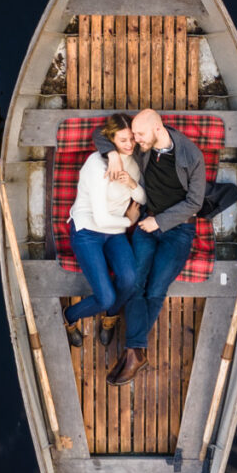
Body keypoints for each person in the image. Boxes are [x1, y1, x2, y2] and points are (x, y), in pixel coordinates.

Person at [93, 108, 206, 385]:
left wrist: (160, 222)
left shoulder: (191, 156)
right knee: (135, 284)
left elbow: (195, 204)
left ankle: (134, 352)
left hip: (178, 231)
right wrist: (112, 156)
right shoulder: (145, 148)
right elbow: (100, 134)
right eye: (133, 136)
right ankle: (135, 353)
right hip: (146, 224)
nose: (134, 141)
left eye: (139, 135)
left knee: (155, 289)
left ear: (157, 129)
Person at [63, 114, 146, 348]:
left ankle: (110, 316)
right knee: (106, 296)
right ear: (111, 140)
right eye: (122, 140)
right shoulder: (95, 165)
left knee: (130, 280)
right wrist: (129, 222)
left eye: (132, 139)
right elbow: (100, 218)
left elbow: (141, 197)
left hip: (114, 232)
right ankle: (69, 316)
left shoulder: (134, 162)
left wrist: (131, 184)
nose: (129, 145)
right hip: (88, 232)